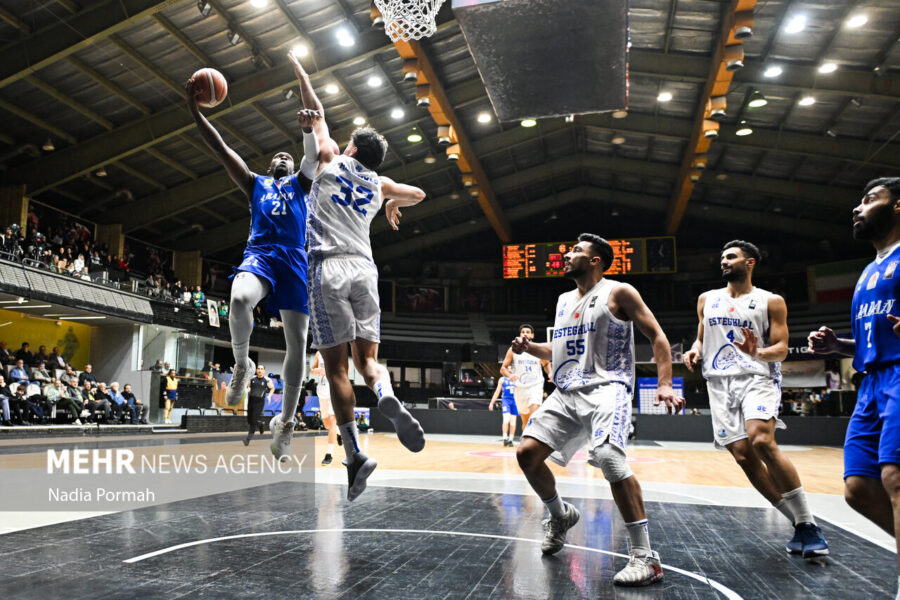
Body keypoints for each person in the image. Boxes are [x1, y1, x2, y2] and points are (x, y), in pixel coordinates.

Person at [288, 50, 427, 500]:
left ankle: (354, 454)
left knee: (335, 369)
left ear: (350, 149)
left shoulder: (330, 157)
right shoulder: (379, 183)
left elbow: (316, 113)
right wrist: (391, 202)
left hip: (327, 267)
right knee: (368, 360)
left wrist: (302, 72)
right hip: (365, 270)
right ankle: (383, 390)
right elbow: (419, 193)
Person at [513, 233, 684, 587]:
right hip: (567, 390)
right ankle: (560, 515)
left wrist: (665, 383)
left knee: (609, 458)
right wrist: (529, 348)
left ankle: (645, 557)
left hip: (608, 386)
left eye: (576, 250)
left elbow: (657, 336)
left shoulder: (619, 292)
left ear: (595, 261)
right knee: (527, 453)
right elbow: (558, 350)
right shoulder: (563, 300)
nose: (566, 254)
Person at [185, 72, 321, 462]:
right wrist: (194, 110)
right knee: (239, 297)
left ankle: (287, 423)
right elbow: (220, 147)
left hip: (293, 258)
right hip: (260, 253)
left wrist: (307, 131)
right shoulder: (254, 183)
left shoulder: (301, 185)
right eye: (278, 156)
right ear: (268, 164)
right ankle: (242, 363)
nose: (284, 158)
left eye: (288, 157)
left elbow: (311, 158)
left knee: (298, 343)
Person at [684, 239, 828, 558]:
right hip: (719, 383)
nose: (724, 261)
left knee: (761, 440)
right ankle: (800, 524)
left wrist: (757, 352)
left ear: (750, 263)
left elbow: (782, 348)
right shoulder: (707, 299)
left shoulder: (770, 301)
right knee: (743, 455)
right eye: (722, 257)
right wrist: (694, 349)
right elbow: (701, 337)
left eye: (731, 257)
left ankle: (807, 523)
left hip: (757, 377)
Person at [808, 177, 900, 598]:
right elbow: (872, 339)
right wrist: (838, 347)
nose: (857, 208)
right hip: (870, 382)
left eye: (869, 200)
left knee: (895, 477)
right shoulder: (868, 270)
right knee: (859, 487)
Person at [501, 324, 550, 431]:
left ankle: (535, 439)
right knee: (526, 421)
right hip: (520, 387)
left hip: (535, 385)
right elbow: (503, 368)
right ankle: (526, 437)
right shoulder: (513, 350)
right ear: (520, 335)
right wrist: (510, 375)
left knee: (534, 417)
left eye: (527, 332)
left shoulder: (538, 349)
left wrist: (550, 373)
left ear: (532, 335)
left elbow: (546, 364)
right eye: (523, 332)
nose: (525, 334)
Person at [311, 351, 340, 465]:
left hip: (334, 391)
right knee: (327, 425)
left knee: (332, 421)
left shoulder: (338, 350)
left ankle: (329, 454)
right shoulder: (319, 353)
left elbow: (344, 372)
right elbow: (312, 370)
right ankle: (338, 432)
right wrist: (317, 370)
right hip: (322, 392)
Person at [244, 364, 274, 446]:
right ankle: (260, 424)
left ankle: (248, 439)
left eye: (261, 369)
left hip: (259, 402)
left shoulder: (267, 380)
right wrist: (247, 390)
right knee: (249, 420)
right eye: (258, 368)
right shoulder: (252, 379)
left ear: (264, 371)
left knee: (253, 421)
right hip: (251, 401)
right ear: (256, 370)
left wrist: (269, 396)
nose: (260, 370)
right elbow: (249, 387)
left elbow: (272, 388)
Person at [488, 375, 519, 446]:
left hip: (515, 401)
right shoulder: (502, 379)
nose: (510, 369)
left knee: (513, 422)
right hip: (506, 400)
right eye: (508, 368)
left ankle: (511, 440)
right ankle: (505, 438)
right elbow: (497, 392)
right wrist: (491, 403)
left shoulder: (517, 377)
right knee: (506, 419)